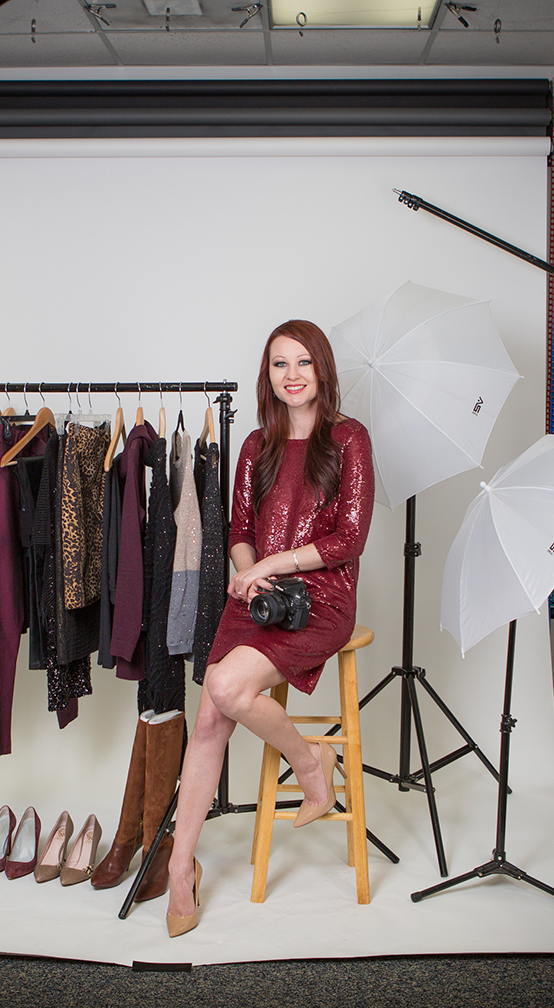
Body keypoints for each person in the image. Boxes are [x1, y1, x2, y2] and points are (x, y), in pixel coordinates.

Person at [165, 319, 374, 937]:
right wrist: (250, 573)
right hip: (258, 596)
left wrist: (274, 565)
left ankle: (310, 765)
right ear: (268, 376)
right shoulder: (257, 444)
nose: (292, 375)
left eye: (304, 362)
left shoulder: (349, 438)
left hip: (320, 598)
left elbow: (349, 539)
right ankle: (181, 867)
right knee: (210, 718)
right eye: (280, 364)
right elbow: (240, 532)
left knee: (226, 688)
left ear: (323, 370)